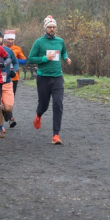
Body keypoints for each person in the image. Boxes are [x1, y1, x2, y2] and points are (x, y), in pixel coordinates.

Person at [27, 16, 72, 145]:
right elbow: (30, 59)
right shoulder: (39, 42)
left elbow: (63, 52)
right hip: (43, 78)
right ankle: (38, 115)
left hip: (57, 77)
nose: (52, 29)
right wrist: (45, 58)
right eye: (49, 27)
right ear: (45, 28)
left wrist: (66, 58)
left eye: (53, 27)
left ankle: (56, 135)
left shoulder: (60, 41)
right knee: (44, 105)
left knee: (58, 104)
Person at [0, 30, 19, 137]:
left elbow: (16, 62)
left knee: (8, 108)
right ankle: (1, 129)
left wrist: (14, 71)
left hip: (7, 82)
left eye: (0, 37)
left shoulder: (8, 51)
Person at [4, 29, 26, 127]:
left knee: (11, 99)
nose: (11, 41)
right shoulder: (1, 48)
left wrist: (15, 60)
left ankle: (7, 114)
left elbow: (24, 60)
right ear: (5, 39)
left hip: (14, 77)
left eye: (12, 39)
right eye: (9, 39)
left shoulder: (17, 48)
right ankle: (10, 117)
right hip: (3, 77)